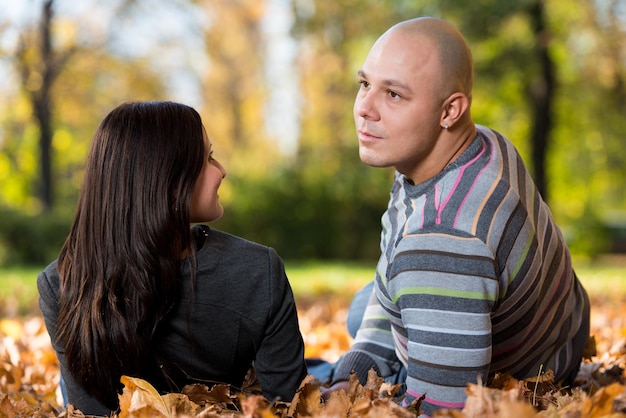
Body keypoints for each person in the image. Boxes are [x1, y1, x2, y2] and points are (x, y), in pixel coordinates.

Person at [324, 17, 590, 417]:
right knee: (367, 304)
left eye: (394, 94)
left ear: (450, 110)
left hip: (529, 372)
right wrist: (353, 373)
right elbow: (399, 267)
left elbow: (440, 407)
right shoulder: (480, 144)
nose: (364, 108)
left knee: (370, 306)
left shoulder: (441, 238)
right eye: (365, 84)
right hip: (561, 331)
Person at [37, 101, 307, 416]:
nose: (222, 170)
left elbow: (89, 411)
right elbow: (289, 404)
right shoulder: (258, 269)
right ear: (169, 184)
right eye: (207, 158)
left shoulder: (62, 283)